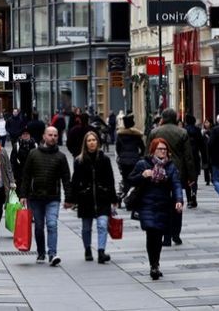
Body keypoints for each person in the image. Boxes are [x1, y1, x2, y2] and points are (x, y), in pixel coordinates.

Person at [127, 138, 183, 280]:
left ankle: (155, 263)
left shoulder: (170, 166)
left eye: (165, 149)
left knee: (158, 237)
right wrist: (143, 175)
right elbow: (130, 179)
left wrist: (178, 200)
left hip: (164, 205)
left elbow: (176, 185)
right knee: (151, 233)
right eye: (160, 149)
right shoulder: (143, 164)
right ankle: (153, 265)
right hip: (146, 204)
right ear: (153, 150)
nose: (163, 151)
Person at [19, 126, 72, 266]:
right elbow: (26, 175)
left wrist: (69, 198)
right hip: (35, 197)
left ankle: (52, 253)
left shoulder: (61, 157)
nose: (53, 137)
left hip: (53, 197)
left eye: (55, 135)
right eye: (50, 135)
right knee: (38, 227)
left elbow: (66, 178)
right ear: (44, 136)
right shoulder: (33, 154)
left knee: (52, 224)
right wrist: (23, 195)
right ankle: (41, 252)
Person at [146, 108, 195, 246]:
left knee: (162, 203)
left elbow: (147, 153)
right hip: (178, 171)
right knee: (177, 202)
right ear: (175, 118)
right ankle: (176, 234)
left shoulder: (154, 132)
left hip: (158, 171)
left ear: (162, 118)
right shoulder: (182, 132)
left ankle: (165, 236)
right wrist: (191, 176)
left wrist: (147, 171)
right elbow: (188, 157)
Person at [71, 131, 119, 263]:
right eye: (89, 140)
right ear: (85, 144)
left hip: (102, 197)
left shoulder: (105, 159)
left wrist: (113, 198)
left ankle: (101, 251)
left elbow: (110, 180)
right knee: (86, 227)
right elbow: (75, 181)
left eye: (94, 140)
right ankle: (87, 249)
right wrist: (72, 198)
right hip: (86, 198)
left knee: (102, 225)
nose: (92, 142)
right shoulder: (79, 161)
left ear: (98, 142)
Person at [115, 113, 145, 200]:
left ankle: (123, 194)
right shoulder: (136, 135)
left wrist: (121, 155)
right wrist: (139, 155)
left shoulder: (120, 135)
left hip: (123, 161)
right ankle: (132, 196)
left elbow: (118, 148)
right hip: (135, 160)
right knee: (134, 178)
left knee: (125, 178)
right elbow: (142, 148)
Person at [182, 114, 205, 209]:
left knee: (187, 179)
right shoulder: (198, 131)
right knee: (194, 179)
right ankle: (194, 195)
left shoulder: (183, 131)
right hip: (195, 157)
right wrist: (205, 159)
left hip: (185, 158)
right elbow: (202, 146)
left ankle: (189, 199)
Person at [10, 128, 36, 193]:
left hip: (31, 175)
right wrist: (13, 177)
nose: (25, 135)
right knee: (19, 193)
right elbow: (12, 161)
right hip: (19, 174)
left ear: (30, 135)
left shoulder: (35, 145)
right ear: (21, 135)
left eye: (27, 134)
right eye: (23, 134)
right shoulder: (16, 146)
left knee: (30, 194)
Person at [201, 118, 213, 185]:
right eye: (205, 122)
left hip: (211, 150)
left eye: (207, 122)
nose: (206, 124)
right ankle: (207, 180)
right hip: (204, 150)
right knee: (206, 166)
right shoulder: (202, 132)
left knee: (211, 165)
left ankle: (212, 177)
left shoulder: (213, 131)